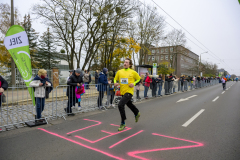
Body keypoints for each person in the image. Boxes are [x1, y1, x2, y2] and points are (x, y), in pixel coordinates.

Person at [114, 58, 141, 131]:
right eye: (124, 62)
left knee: (120, 105)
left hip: (129, 91)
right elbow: (115, 79)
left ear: (129, 64)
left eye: (127, 62)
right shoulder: (119, 72)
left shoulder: (133, 72)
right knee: (129, 104)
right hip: (123, 92)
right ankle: (136, 112)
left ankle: (123, 123)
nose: (125, 63)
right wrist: (115, 83)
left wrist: (134, 83)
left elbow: (139, 79)